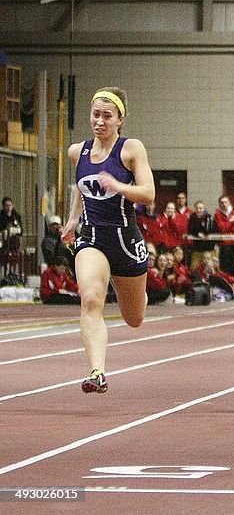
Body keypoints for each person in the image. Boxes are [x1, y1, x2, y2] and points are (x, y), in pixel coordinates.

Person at [61, 87, 155, 394]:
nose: (99, 122)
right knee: (90, 300)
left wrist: (117, 184)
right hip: (92, 237)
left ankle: (136, 293)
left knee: (134, 318)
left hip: (126, 241)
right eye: (95, 115)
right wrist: (74, 218)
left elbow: (149, 194)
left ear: (120, 119)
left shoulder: (130, 150)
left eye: (107, 116)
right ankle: (97, 371)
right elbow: (80, 185)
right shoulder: (79, 151)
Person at [214, 195, 234, 278]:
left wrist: (227, 225)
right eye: (221, 203)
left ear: (229, 202)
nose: (224, 204)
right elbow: (221, 228)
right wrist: (230, 221)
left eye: (225, 202)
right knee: (224, 268)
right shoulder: (217, 214)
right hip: (223, 245)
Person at [187, 201, 217, 269]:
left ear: (204, 208)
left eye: (200, 208)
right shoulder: (192, 218)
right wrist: (197, 234)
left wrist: (208, 235)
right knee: (194, 268)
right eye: (197, 208)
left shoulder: (210, 218)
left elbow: (214, 230)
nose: (199, 210)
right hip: (197, 249)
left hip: (209, 249)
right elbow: (190, 229)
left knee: (211, 269)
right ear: (194, 209)